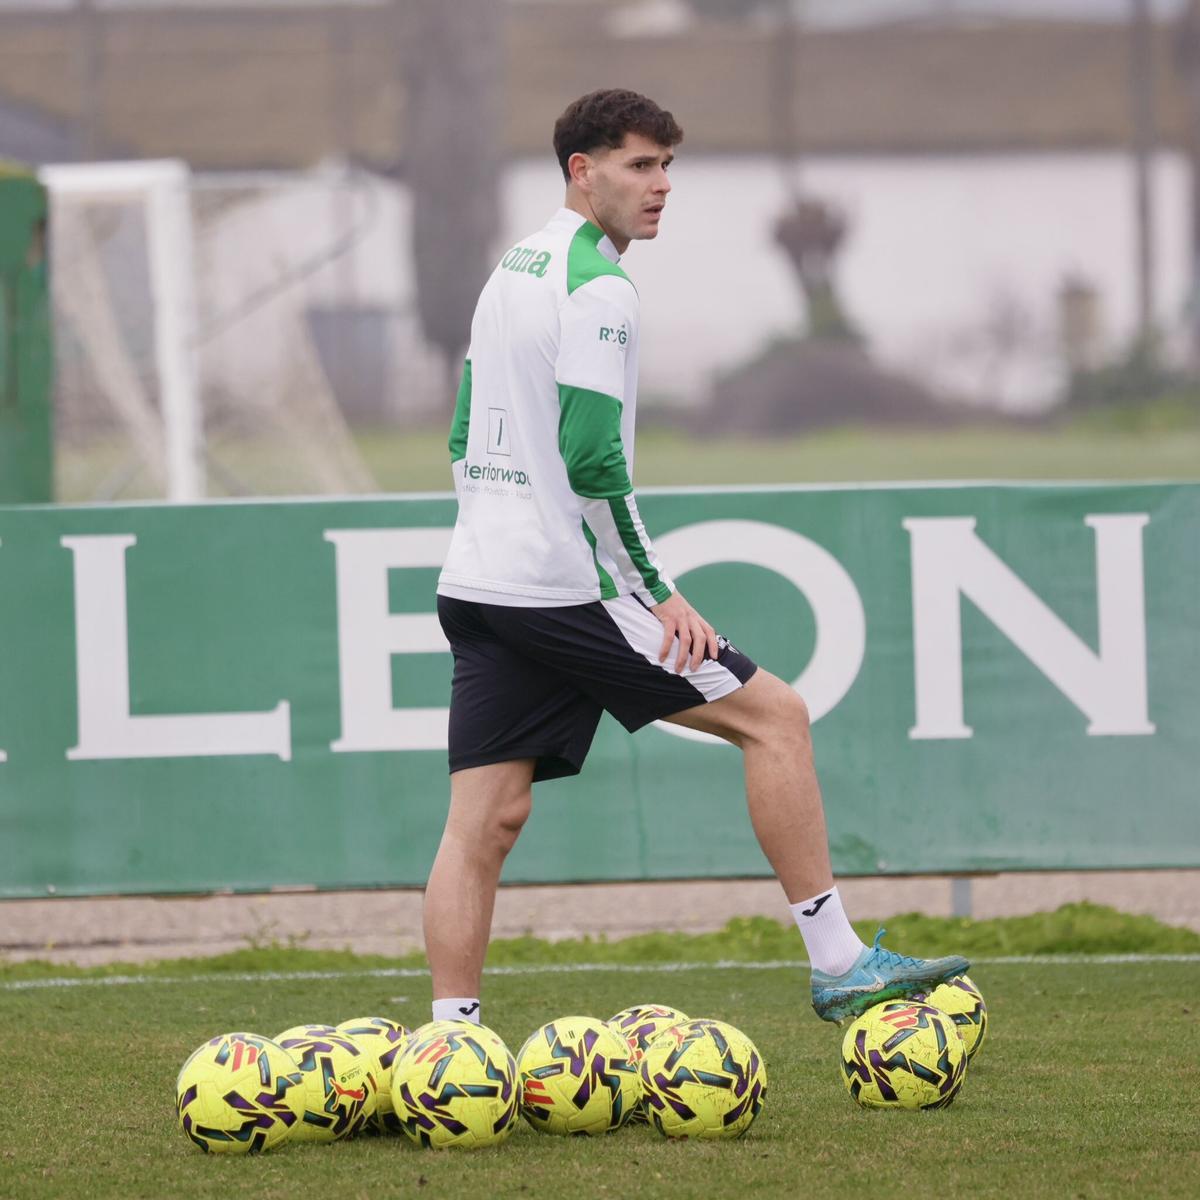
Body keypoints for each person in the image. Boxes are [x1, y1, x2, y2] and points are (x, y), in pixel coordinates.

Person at [426, 88, 967, 1027]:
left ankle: (451, 1044)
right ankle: (840, 962)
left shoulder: (514, 266)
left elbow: (465, 426)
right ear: (580, 171)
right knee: (778, 719)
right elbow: (596, 460)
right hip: (563, 587)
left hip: (479, 579)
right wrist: (655, 591)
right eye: (640, 165)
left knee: (483, 824)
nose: (662, 185)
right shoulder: (599, 286)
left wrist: (498, 524)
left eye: (668, 165)